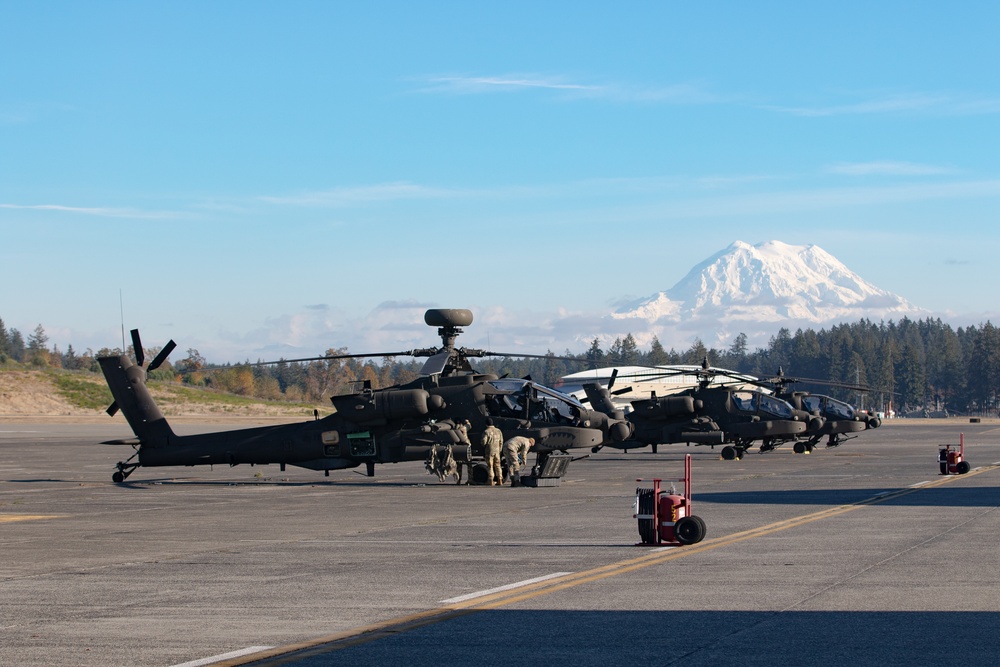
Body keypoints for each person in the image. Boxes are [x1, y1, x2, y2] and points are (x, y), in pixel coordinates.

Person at [481, 419, 504, 486]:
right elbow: (501, 441)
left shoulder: (486, 432)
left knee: (490, 466)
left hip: (489, 450)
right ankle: (500, 479)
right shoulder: (498, 431)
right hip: (497, 450)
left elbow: (484, 442)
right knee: (498, 465)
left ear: (486, 424)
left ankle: (491, 480)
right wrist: (499, 449)